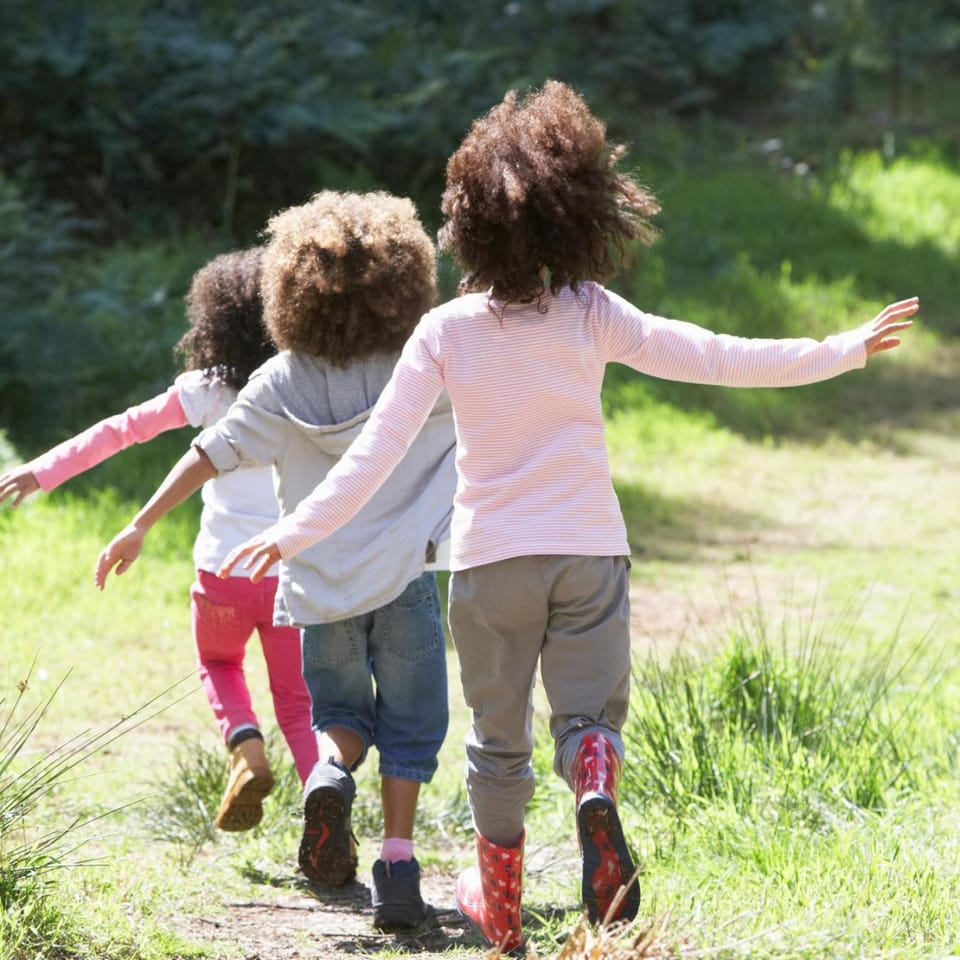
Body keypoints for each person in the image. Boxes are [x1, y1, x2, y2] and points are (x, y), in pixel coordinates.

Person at [215, 82, 918, 952]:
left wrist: (295, 532)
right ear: (577, 214)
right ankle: (592, 776)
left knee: (496, 744)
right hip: (589, 552)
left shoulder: (444, 331)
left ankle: (501, 907)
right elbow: (714, 356)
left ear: (466, 221)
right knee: (588, 718)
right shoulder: (591, 315)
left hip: (489, 564)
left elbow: (372, 456)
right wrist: (840, 350)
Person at [94, 191, 456, 932]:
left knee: (341, 717)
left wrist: (138, 524)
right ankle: (397, 868)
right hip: (405, 580)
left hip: (317, 588)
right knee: (412, 728)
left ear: (289, 287)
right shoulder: (418, 366)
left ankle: (327, 776)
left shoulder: (282, 379)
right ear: (403, 279)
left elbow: (205, 454)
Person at [0, 248, 318, 833]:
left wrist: (42, 471)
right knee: (298, 705)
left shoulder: (208, 391)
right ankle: (328, 814)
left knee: (218, 660)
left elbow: (122, 430)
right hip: (290, 573)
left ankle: (246, 748)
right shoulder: (304, 386)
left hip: (223, 573)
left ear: (216, 321)